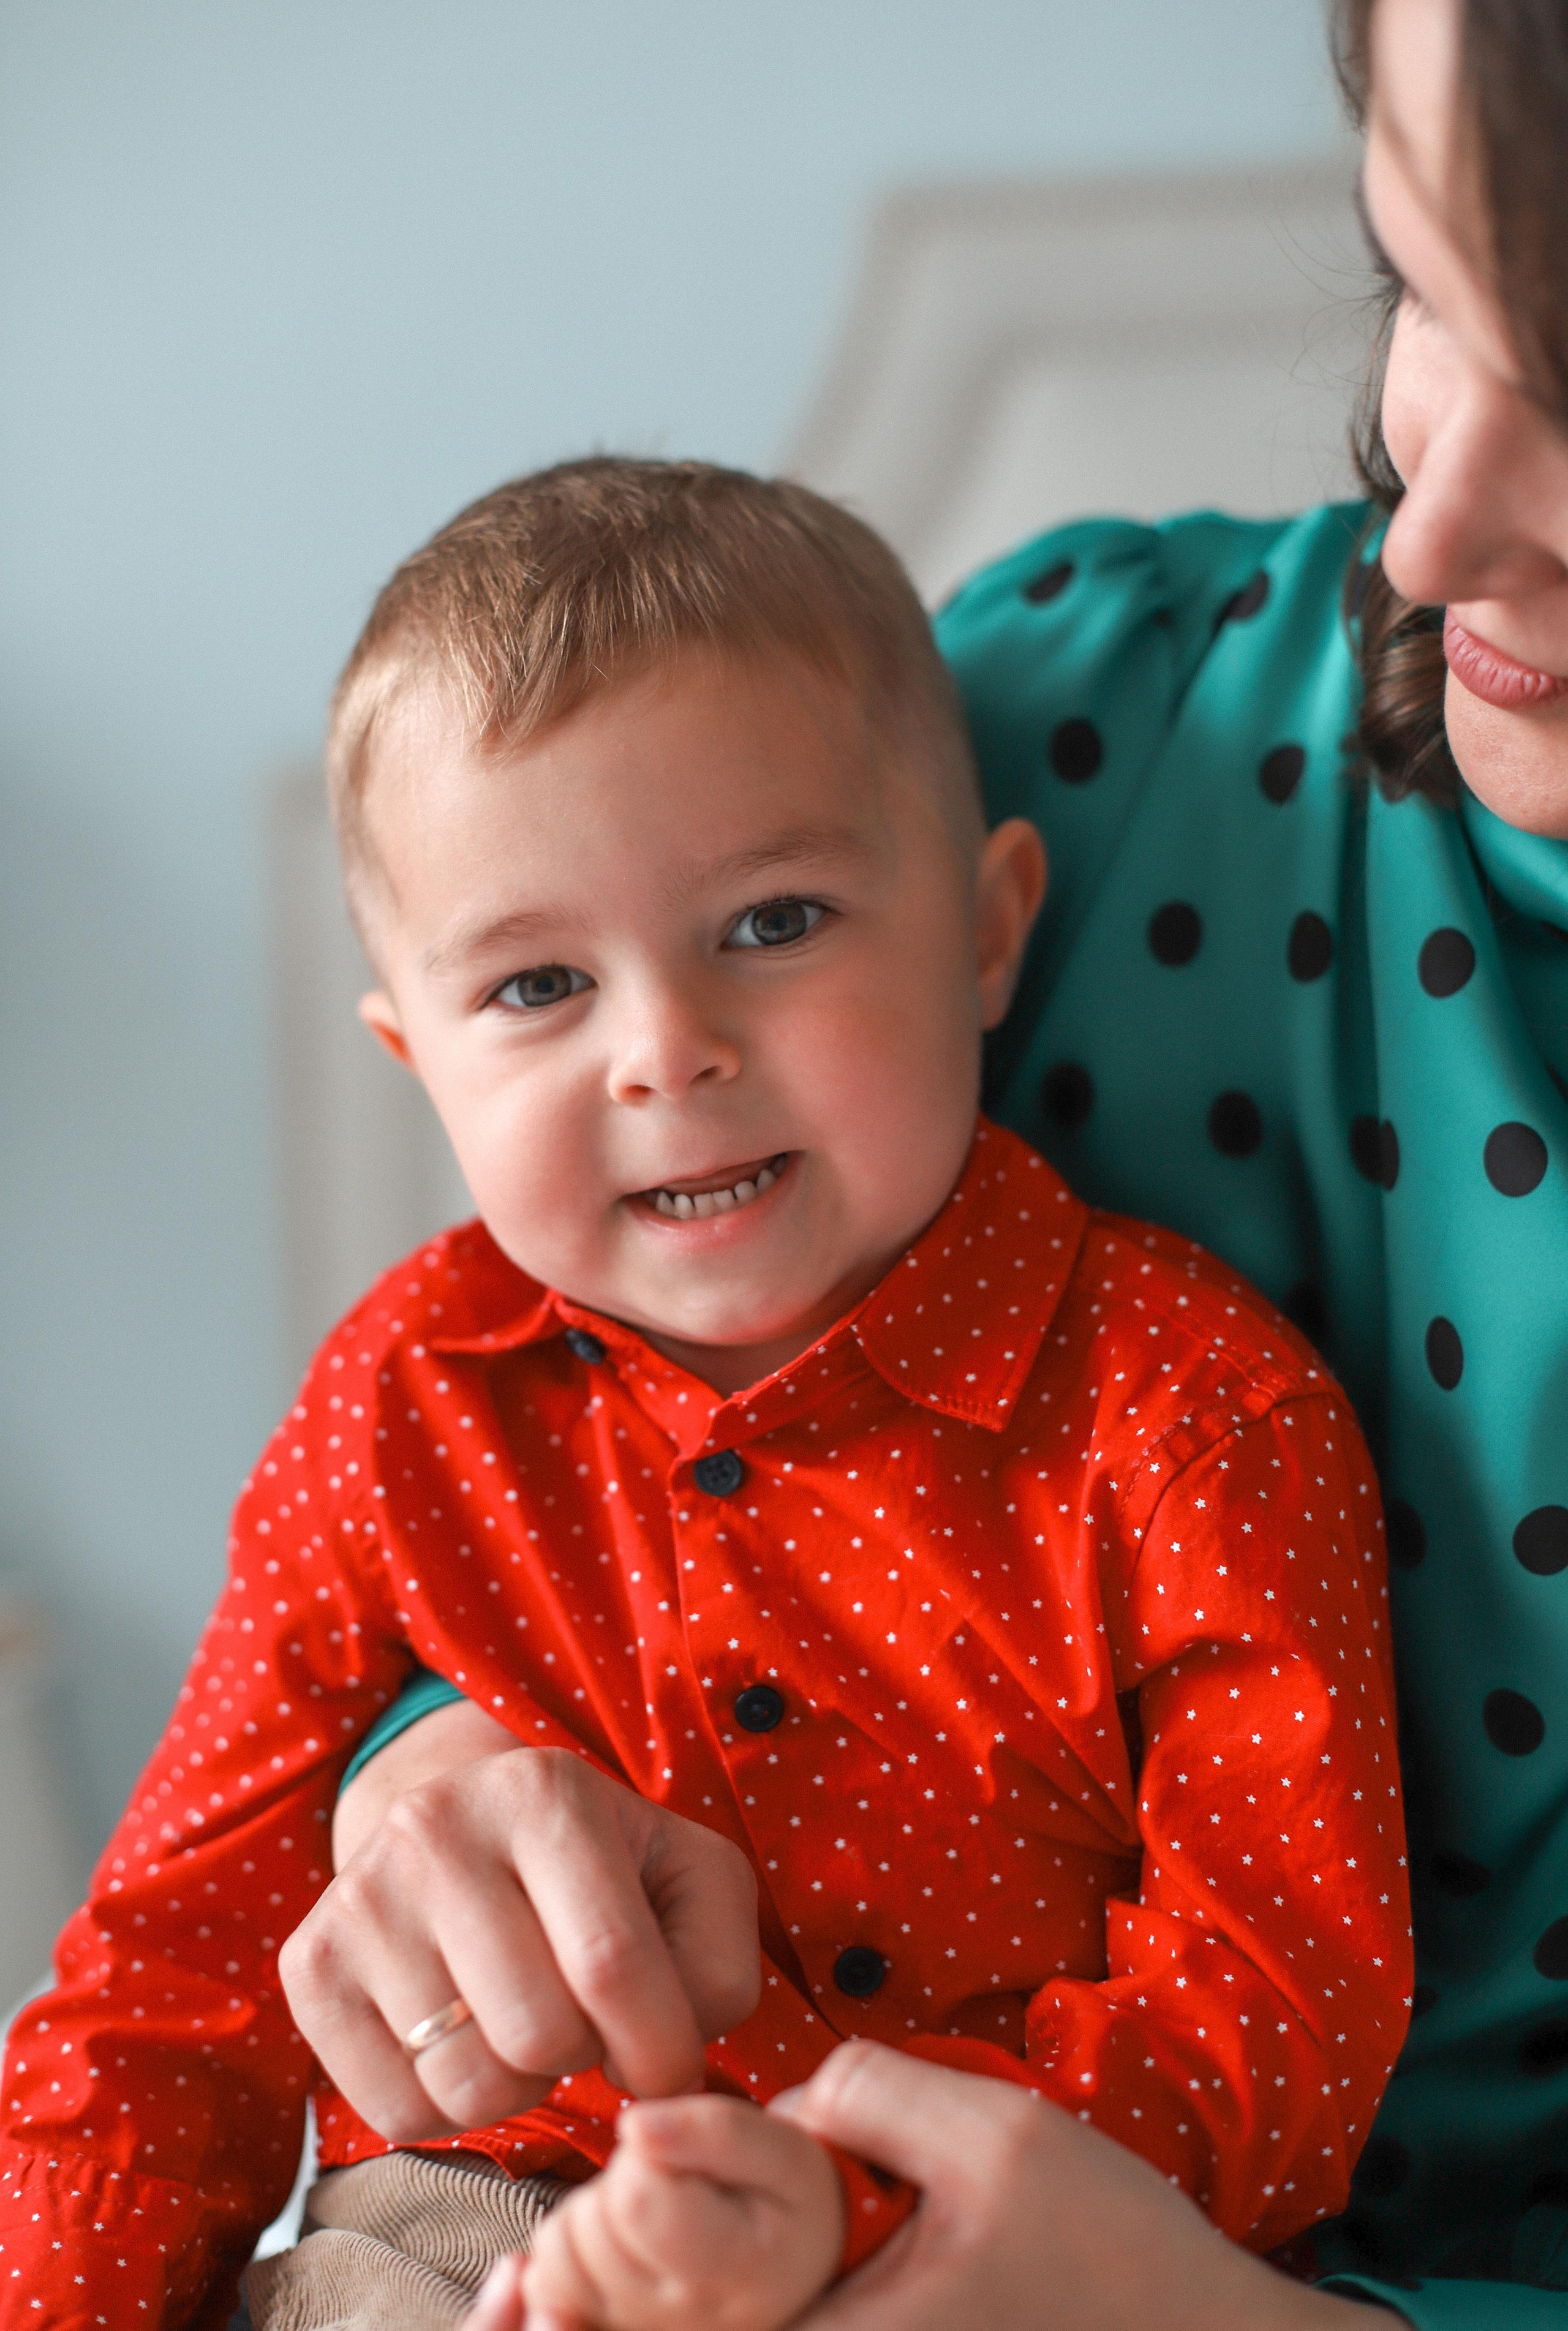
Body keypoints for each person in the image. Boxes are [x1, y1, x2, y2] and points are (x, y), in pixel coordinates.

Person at [309, 0, 1568, 2324]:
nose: (1441, 517)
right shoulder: (1074, 735)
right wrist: (437, 1767)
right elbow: (597, 1402)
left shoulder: (1194, 1405)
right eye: (1424, 285)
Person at [0, 451, 1408, 2331]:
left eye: (775, 923)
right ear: (418, 1060)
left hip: (1004, 2256)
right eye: (535, 989)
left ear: (989, 932)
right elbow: (162, 1992)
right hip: (450, 2244)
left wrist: (831, 2204)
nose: (668, 1053)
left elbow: (1274, 2030)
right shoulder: (401, 1403)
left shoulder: (1193, 1415)